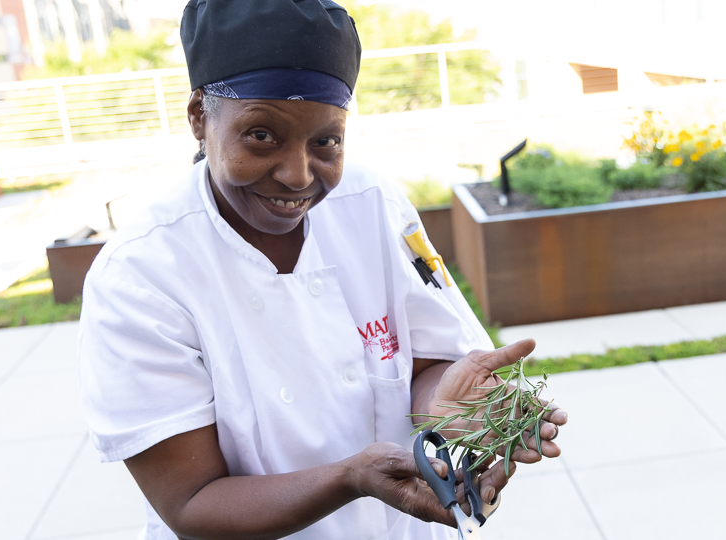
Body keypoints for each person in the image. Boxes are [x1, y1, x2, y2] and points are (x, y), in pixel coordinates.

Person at [77, 1, 567, 539]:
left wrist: (446, 403)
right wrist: (350, 478)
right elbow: (192, 503)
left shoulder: (372, 202)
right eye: (261, 135)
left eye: (325, 141)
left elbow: (425, 363)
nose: (296, 174)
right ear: (199, 116)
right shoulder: (140, 276)